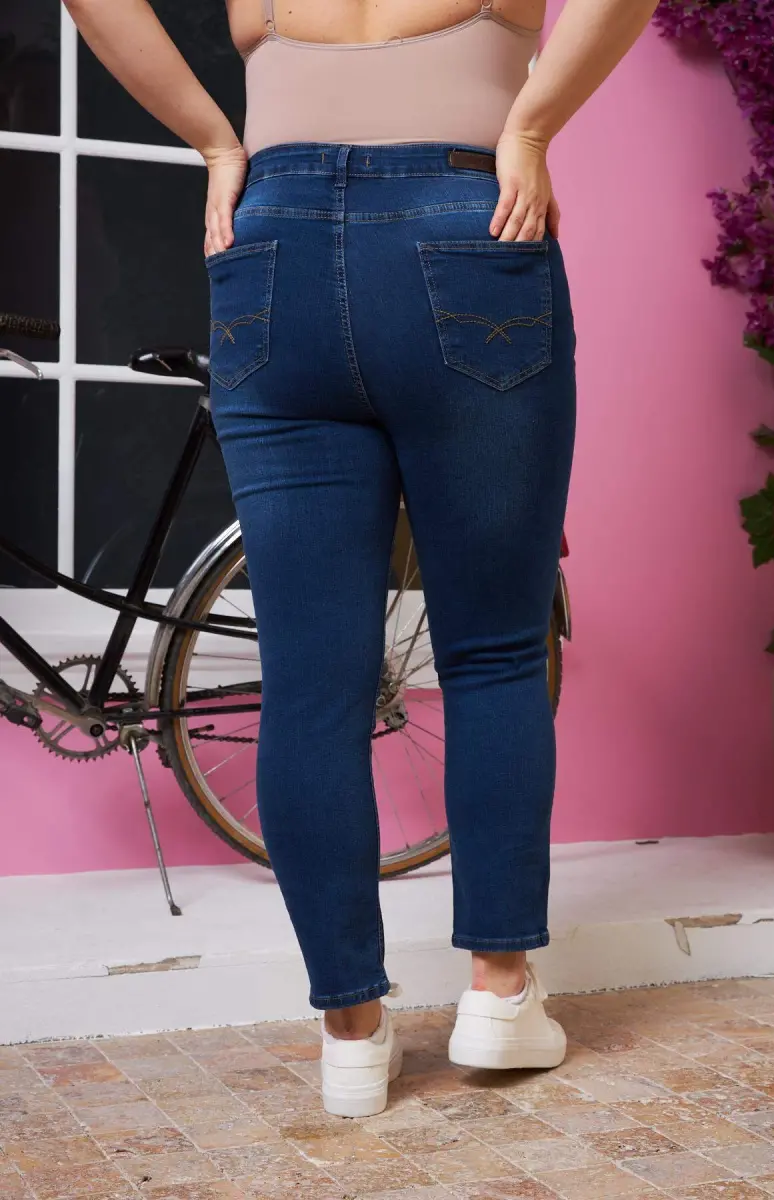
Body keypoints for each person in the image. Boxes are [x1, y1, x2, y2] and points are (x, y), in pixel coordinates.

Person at [66, 0, 659, 1118]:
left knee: (309, 683)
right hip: (468, 218)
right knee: (491, 652)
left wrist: (216, 143)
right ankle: (498, 993)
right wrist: (532, 125)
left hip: (272, 232)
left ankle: (351, 1033)